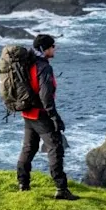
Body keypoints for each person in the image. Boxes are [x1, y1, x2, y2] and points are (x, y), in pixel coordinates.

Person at [16, 34, 79, 200]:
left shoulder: (27, 62)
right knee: (55, 148)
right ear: (45, 49)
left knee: (28, 148)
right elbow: (46, 96)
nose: (55, 49)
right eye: (52, 46)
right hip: (41, 115)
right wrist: (55, 118)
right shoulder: (43, 67)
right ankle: (61, 189)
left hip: (27, 113)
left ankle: (23, 183)